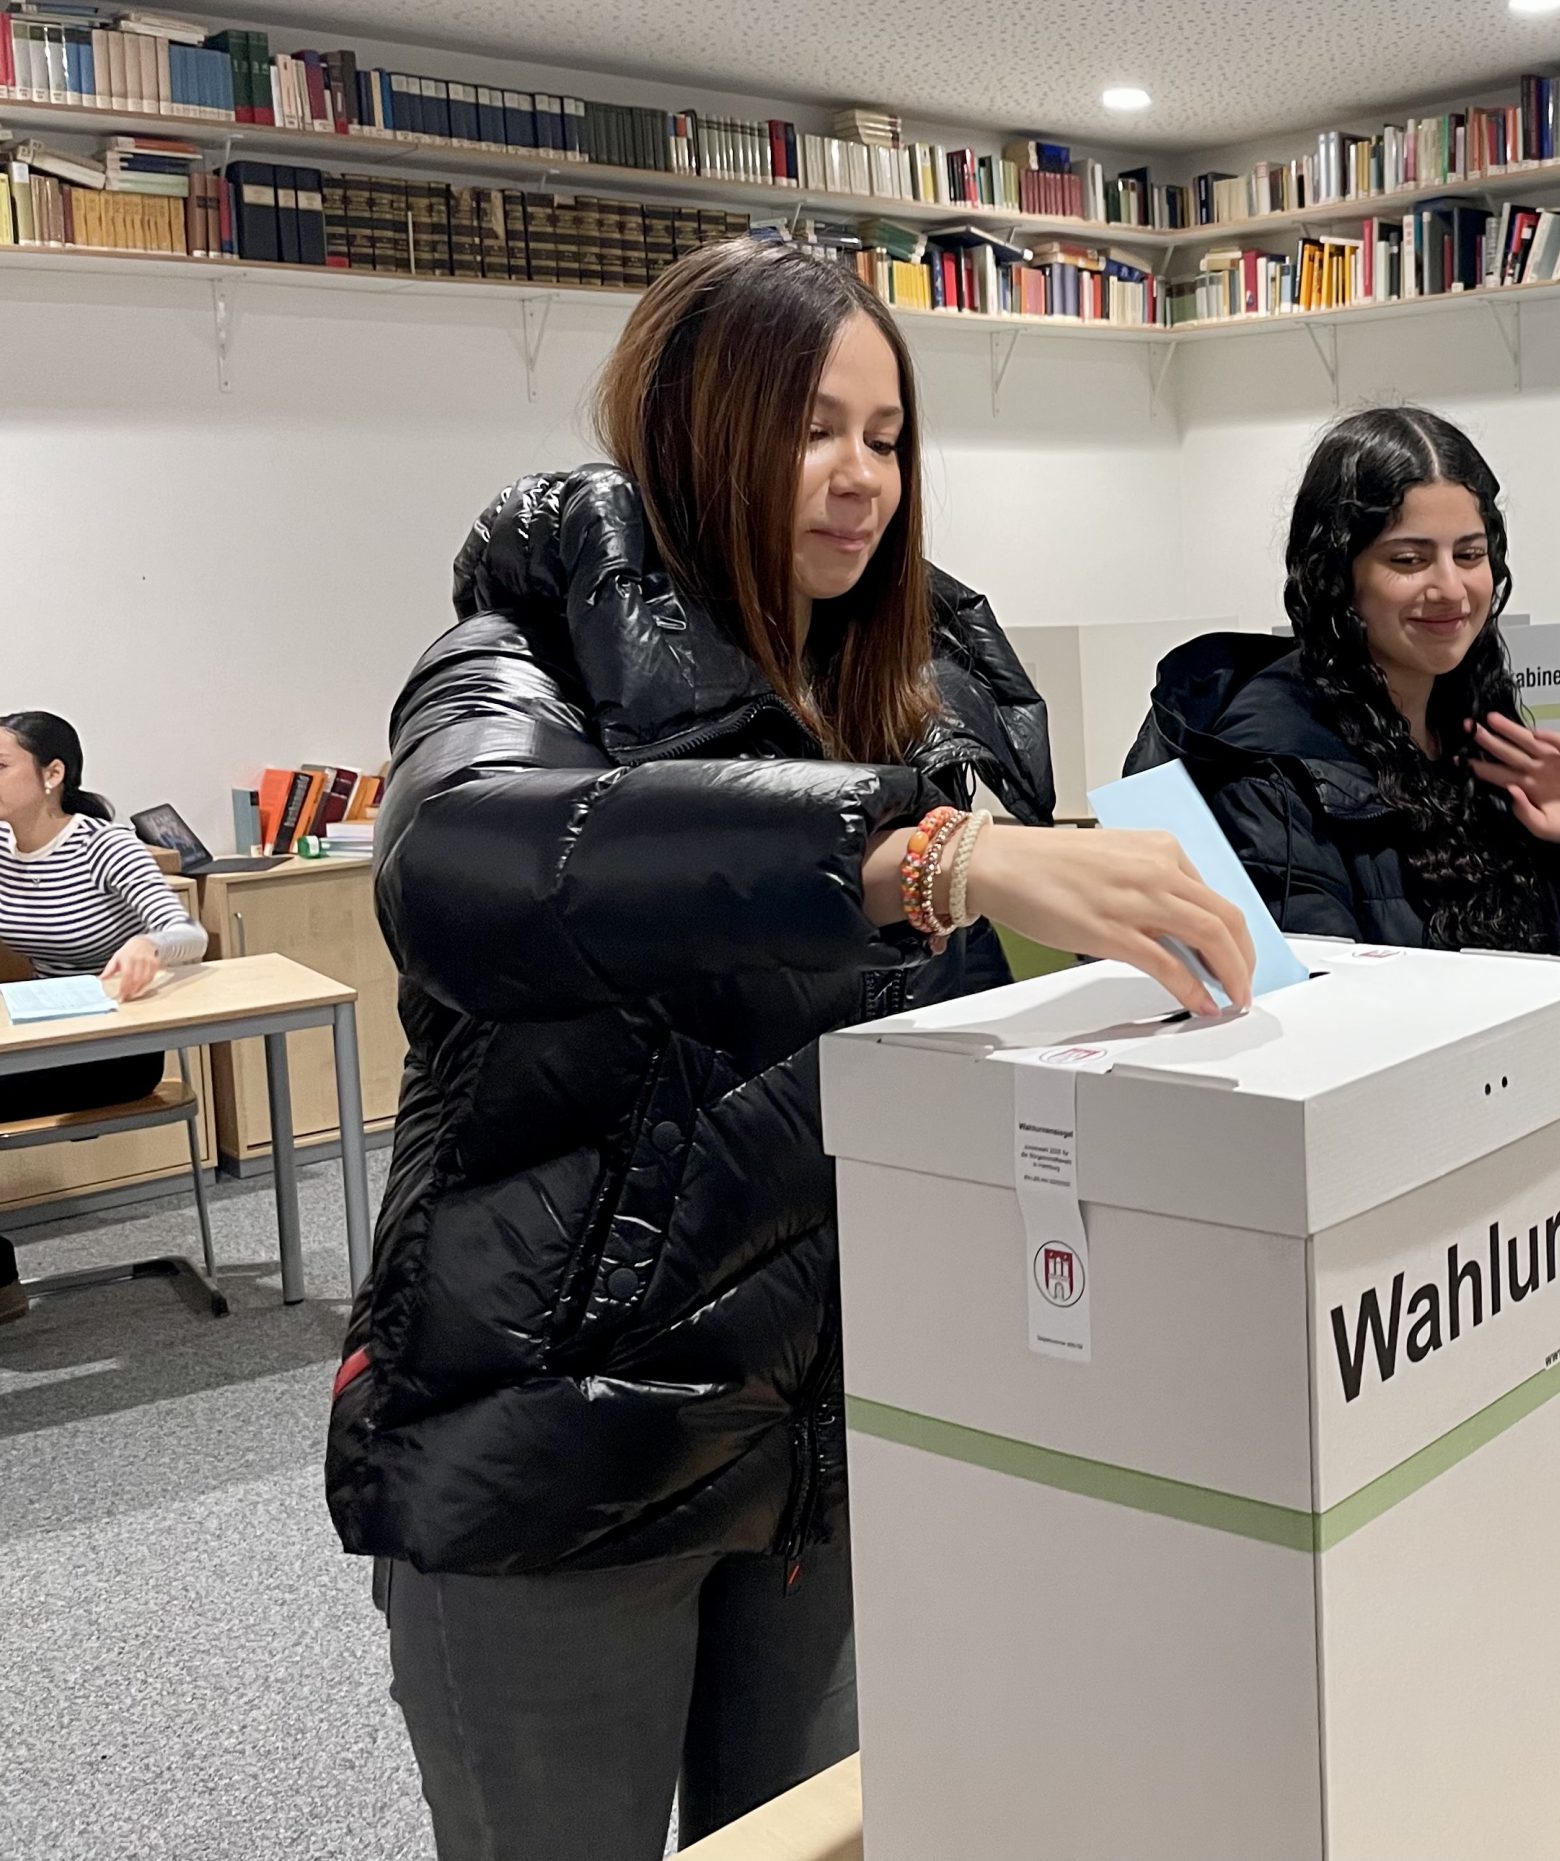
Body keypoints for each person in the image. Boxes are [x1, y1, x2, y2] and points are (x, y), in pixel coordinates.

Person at [324, 239, 1254, 1861]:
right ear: (692, 427)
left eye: (886, 436)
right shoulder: (522, 650)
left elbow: (989, 1013)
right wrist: (919, 857)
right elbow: (462, 869)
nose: (860, 476)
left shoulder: (933, 678)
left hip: (829, 1427)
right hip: (558, 1441)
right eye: (810, 428)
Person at [1125, 404, 1560, 1142]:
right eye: (1409, 560)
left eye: (1469, 555)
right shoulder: (1269, 763)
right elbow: (1330, 1050)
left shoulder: (1468, 716)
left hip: (1519, 1148)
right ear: (1338, 574)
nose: (1450, 588)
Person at [0, 711, 207, 1323]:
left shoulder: (104, 846)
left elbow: (187, 934)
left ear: (52, 775)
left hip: (115, 1050)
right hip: (38, 1037)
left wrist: (148, 945)